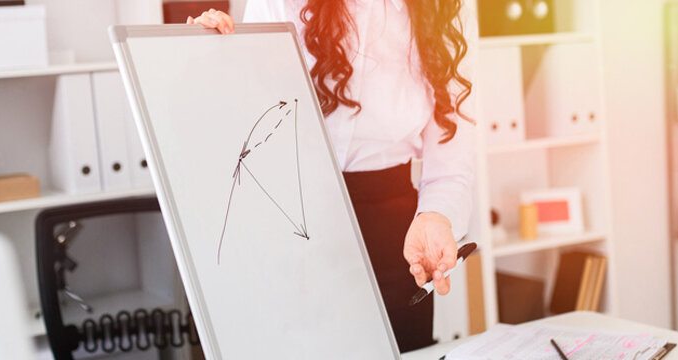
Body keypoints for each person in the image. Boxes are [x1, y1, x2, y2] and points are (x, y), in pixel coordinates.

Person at [188, 0, 474, 352]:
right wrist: (213, 57)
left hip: (395, 236)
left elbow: (452, 157)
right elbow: (248, 118)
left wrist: (436, 216)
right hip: (291, 218)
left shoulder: (440, 9)